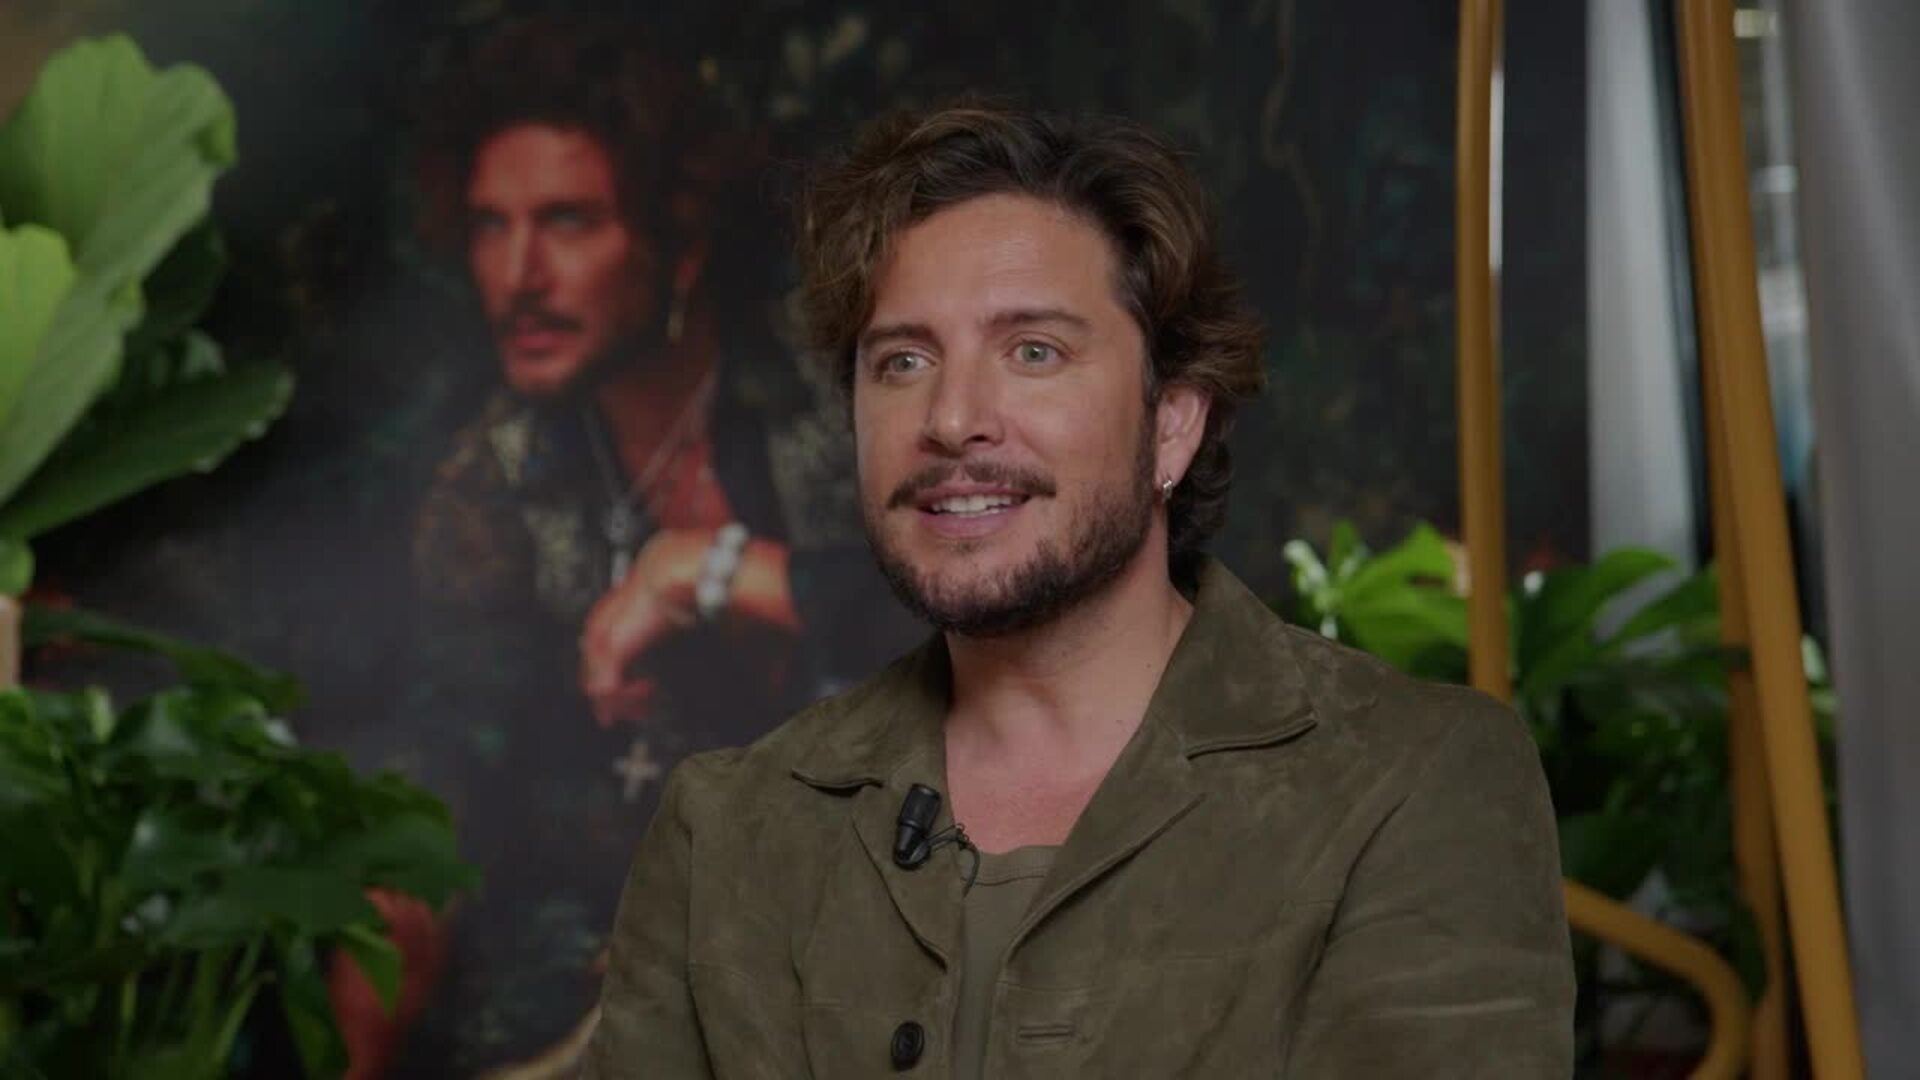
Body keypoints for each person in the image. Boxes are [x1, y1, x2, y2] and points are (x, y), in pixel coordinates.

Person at [584, 101, 1576, 1077]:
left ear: (1173, 423)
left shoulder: (1410, 781)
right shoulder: (726, 830)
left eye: (1034, 351)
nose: (952, 418)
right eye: (903, 361)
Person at [332, 20, 914, 1077]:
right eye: (491, 226)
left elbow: (996, 611)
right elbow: (457, 734)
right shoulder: (499, 475)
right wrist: (397, 890)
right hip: (628, 978)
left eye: (568, 221)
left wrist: (712, 571)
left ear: (677, 240)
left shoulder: (845, 391)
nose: (519, 275)